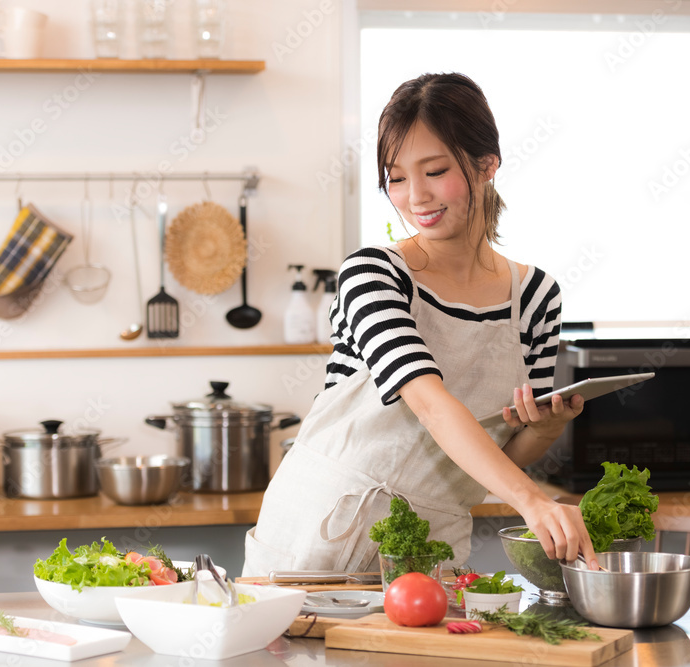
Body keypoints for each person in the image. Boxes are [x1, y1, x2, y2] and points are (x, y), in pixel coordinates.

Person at [243, 72, 598, 577]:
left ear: (486, 164)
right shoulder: (374, 273)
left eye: (434, 171)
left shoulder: (537, 297)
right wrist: (535, 504)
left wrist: (550, 428)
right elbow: (428, 403)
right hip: (315, 527)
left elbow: (508, 450)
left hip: (427, 550)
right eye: (397, 177)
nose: (416, 197)